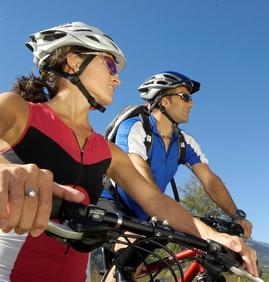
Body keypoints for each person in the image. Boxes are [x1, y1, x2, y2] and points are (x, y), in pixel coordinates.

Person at [0, 21, 257, 282]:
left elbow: (157, 202)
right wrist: (5, 169)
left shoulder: (106, 151)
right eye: (110, 66)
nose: (117, 79)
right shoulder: (17, 110)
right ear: (73, 62)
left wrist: (218, 236)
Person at [103, 71, 253, 237]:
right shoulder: (135, 128)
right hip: (115, 203)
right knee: (128, 249)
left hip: (151, 210)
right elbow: (140, 172)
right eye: (185, 97)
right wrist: (169, 214)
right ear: (165, 101)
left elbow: (210, 180)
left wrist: (236, 216)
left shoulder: (184, 142)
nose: (191, 104)